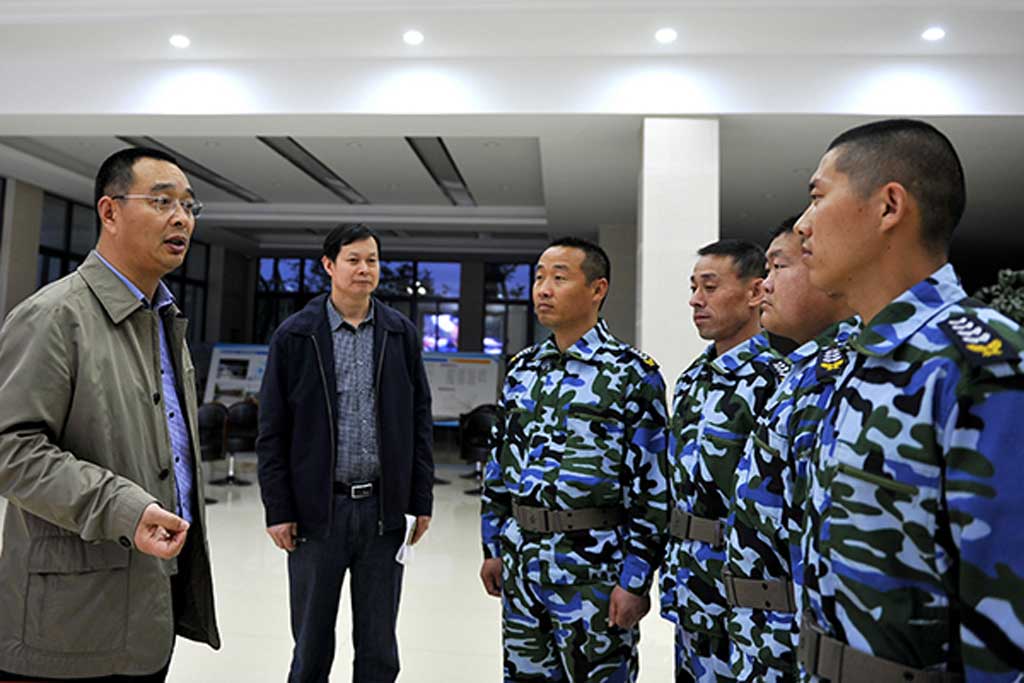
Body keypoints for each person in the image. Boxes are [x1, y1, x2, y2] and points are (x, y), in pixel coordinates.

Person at [794, 118, 1024, 681]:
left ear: (889, 206)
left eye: (818, 197)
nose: (802, 225)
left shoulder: (981, 364)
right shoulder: (856, 357)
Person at [0, 147, 220, 680]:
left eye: (189, 206)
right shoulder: (55, 316)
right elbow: (11, 450)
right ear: (110, 211)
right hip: (68, 619)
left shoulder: (163, 321)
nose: (181, 218)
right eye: (162, 202)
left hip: (148, 600)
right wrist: (122, 507)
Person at [480, 236, 668, 682]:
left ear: (597, 289)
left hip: (594, 574)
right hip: (523, 566)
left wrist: (636, 579)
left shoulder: (631, 374)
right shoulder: (523, 369)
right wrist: (492, 547)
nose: (543, 289)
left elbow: (653, 488)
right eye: (539, 278)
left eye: (559, 278)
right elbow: (498, 467)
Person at [257, 224, 434, 683]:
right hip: (317, 514)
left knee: (379, 648)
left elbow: (419, 421)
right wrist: (278, 509)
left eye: (372, 260)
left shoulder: (399, 333)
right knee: (311, 646)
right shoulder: (296, 336)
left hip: (382, 513)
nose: (364, 269)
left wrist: (421, 501)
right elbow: (272, 430)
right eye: (353, 260)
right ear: (329, 266)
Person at [722, 215, 858, 682]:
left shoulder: (842, 374)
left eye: (778, 267)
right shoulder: (803, 371)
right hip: (760, 638)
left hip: (792, 647)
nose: (765, 285)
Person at [659, 238, 785, 683]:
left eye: (710, 287)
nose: (696, 300)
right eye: (693, 287)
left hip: (749, 601)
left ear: (755, 292)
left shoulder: (777, 380)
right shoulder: (693, 378)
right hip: (691, 591)